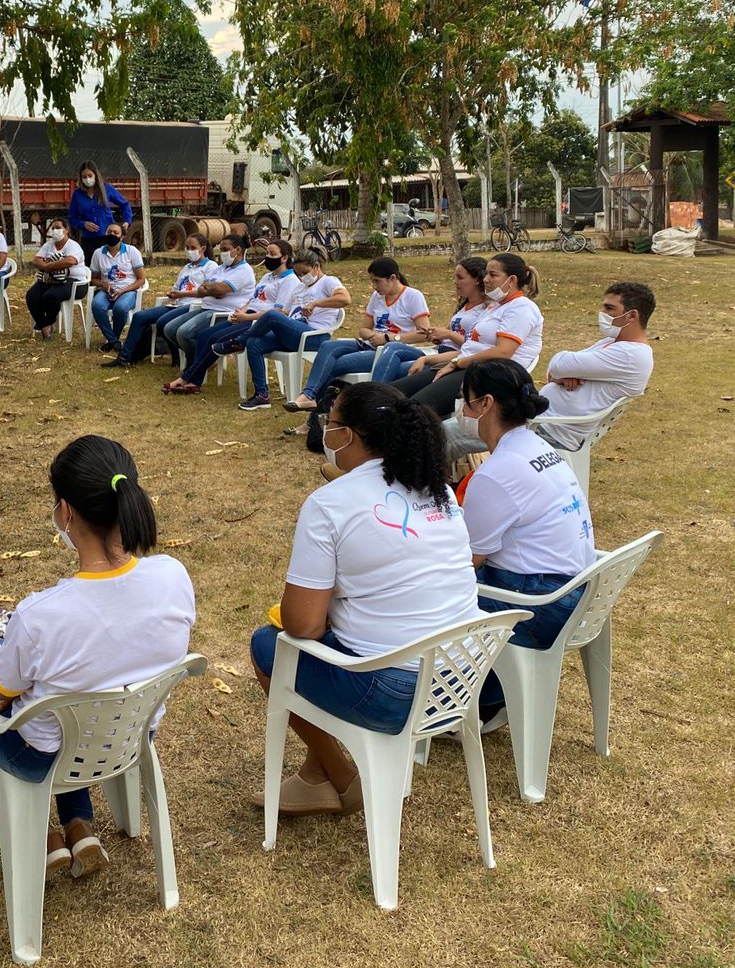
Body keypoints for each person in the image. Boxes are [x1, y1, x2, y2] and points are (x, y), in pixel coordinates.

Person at [0, 435, 194, 878]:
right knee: (67, 707)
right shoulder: (174, 577)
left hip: (46, 754)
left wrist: (1, 682)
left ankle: (43, 828)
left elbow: (8, 688)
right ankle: (79, 824)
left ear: (65, 512)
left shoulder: (40, 614)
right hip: (128, 737)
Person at [249, 383, 480, 816]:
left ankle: (342, 777)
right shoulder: (440, 490)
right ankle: (314, 777)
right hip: (463, 678)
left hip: (397, 692)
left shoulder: (329, 503)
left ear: (348, 435)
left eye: (330, 423)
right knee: (337, 634)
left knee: (269, 645)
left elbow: (303, 625)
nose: (325, 432)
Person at [458, 360, 595, 718]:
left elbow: (466, 563)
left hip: (537, 605)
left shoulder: (495, 473)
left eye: (465, 400)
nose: (462, 410)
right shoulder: (539, 447)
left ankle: (467, 701)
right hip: (575, 591)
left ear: (485, 404)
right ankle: (493, 693)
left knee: (423, 590)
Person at [388, 252, 543, 417]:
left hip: (486, 375)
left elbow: (502, 352)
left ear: (512, 280)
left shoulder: (522, 308)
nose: (486, 279)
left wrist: (457, 363)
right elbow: (469, 349)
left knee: (411, 411)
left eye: (493, 275)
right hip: (464, 366)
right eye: (486, 274)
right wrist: (427, 359)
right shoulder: (494, 307)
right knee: (389, 394)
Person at [285, 257, 433, 412]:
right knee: (328, 346)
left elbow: (424, 333)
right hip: (370, 344)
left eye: (377, 281)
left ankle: (318, 414)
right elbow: (363, 329)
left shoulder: (413, 296)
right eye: (372, 281)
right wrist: (373, 335)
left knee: (332, 365)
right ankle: (308, 396)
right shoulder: (377, 297)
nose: (374, 286)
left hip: (391, 350)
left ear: (393, 278)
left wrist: (389, 338)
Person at [163, 239, 299, 395]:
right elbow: (253, 300)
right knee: (205, 335)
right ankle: (194, 381)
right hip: (244, 315)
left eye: (272, 254)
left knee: (216, 338)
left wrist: (246, 317)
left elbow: (276, 313)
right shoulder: (268, 277)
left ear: (284, 258)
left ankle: (187, 379)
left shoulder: (290, 280)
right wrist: (241, 311)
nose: (267, 256)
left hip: (258, 322)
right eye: (267, 253)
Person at [535, 282, 656, 450]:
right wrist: (560, 374)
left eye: (609, 308)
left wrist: (563, 372)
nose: (602, 313)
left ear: (632, 316)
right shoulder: (612, 342)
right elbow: (552, 372)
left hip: (550, 433)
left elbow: (558, 364)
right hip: (541, 422)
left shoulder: (630, 355)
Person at [228, 249, 350, 410]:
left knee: (271, 315)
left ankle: (238, 341)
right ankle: (262, 395)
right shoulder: (300, 287)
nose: (302, 277)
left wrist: (315, 303)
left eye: (305, 272)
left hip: (313, 335)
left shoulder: (328, 281)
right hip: (294, 331)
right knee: (254, 342)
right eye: (298, 273)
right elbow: (285, 312)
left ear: (317, 266)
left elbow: (345, 299)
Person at [101, 234, 217, 367]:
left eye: (193, 247)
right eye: (187, 247)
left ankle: (178, 358)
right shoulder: (187, 267)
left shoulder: (211, 266)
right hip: (176, 304)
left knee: (163, 323)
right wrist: (173, 294)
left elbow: (208, 292)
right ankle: (124, 357)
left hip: (193, 307)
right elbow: (177, 287)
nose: (189, 250)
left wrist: (181, 294)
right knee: (139, 317)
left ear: (202, 249)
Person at [86, 221, 148, 352]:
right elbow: (93, 279)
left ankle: (112, 340)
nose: (112, 234)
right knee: (97, 305)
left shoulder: (132, 251)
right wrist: (103, 284)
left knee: (120, 308)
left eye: (116, 233)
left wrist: (123, 291)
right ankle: (114, 341)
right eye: (109, 232)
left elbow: (141, 279)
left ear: (122, 237)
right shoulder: (98, 253)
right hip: (107, 290)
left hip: (128, 290)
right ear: (105, 233)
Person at [25, 218, 91, 338]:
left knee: (50, 296)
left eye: (58, 228)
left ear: (67, 230)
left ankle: (49, 322)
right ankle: (44, 325)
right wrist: (48, 267)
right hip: (51, 279)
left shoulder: (73, 245)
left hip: (75, 282)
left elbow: (70, 261)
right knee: (32, 295)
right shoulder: (48, 245)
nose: (55, 230)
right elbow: (36, 260)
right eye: (53, 228)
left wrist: (48, 266)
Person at [67, 161, 133, 263]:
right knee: (90, 268)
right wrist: (83, 224)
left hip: (107, 237)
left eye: (90, 175)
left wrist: (127, 221)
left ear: (95, 175)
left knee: (109, 265)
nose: (87, 179)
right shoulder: (77, 194)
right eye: (84, 177)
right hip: (88, 239)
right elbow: (72, 218)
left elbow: (124, 204)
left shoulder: (107, 189)